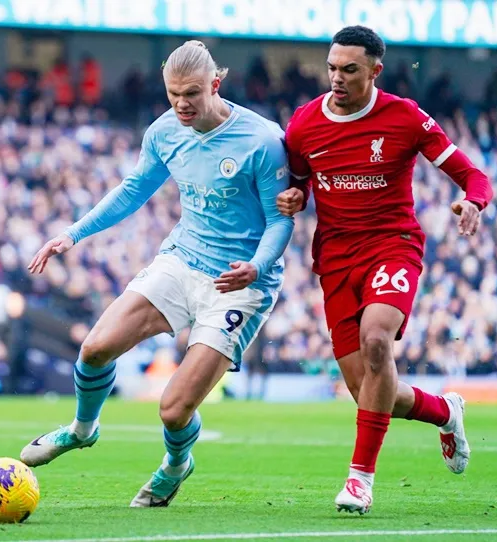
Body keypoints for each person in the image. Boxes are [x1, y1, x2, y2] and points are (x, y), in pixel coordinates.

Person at [20, 40, 294, 508]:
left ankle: (175, 465)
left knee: (172, 411)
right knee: (94, 347)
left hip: (239, 284)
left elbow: (280, 219)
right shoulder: (165, 131)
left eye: (191, 93)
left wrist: (257, 267)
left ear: (216, 83)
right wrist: (72, 234)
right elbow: (132, 191)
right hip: (182, 258)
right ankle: (82, 430)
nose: (182, 104)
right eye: (173, 94)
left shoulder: (262, 140)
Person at [277, 26, 494, 515]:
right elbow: (297, 183)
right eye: (332, 67)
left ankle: (359, 481)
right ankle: (444, 411)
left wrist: (473, 202)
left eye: (349, 69)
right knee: (369, 392)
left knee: (378, 342)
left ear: (376, 70)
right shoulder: (304, 125)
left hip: (392, 247)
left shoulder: (405, 117)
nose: (337, 77)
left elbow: (472, 174)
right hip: (334, 260)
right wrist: (296, 196)